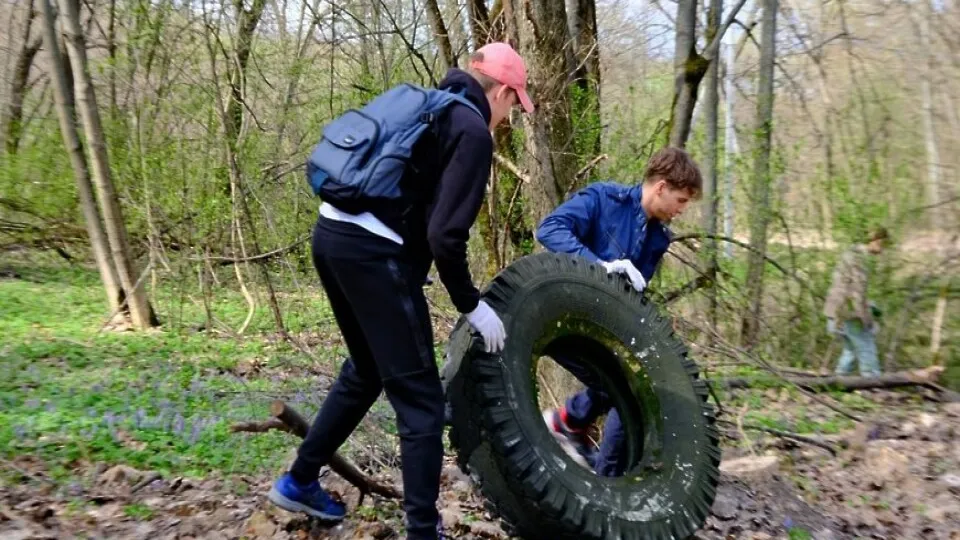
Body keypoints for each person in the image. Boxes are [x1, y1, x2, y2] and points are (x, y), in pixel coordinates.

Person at [267, 42, 534, 539]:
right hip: (370, 252)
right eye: (514, 103)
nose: (510, 115)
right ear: (499, 91)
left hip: (331, 237)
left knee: (368, 369)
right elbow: (444, 236)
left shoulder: (428, 106)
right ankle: (422, 532)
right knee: (422, 400)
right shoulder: (472, 131)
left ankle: (301, 479)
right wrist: (470, 304)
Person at [534, 147, 703, 476]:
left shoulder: (658, 239)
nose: (682, 211)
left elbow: (632, 293)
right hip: (561, 312)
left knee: (632, 391)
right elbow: (549, 229)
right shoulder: (603, 199)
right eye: (681, 201)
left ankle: (595, 463)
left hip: (601, 329)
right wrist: (600, 267)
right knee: (621, 386)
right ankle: (570, 427)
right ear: (661, 187)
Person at [823, 227, 889, 378]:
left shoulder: (851, 255)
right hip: (848, 313)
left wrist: (870, 305)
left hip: (836, 311)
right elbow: (856, 294)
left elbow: (848, 287)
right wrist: (866, 319)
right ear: (875, 240)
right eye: (882, 244)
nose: (883, 249)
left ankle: (839, 380)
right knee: (867, 347)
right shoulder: (858, 259)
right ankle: (874, 384)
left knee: (851, 349)